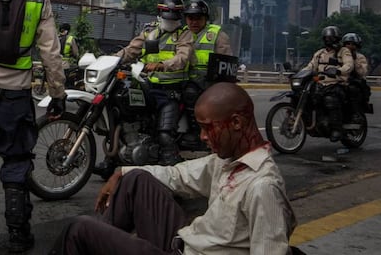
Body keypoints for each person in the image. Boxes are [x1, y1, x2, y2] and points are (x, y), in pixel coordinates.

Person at [49, 82, 298, 255]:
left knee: (79, 230)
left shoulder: (262, 187)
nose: (201, 137)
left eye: (207, 127)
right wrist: (120, 173)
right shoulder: (227, 161)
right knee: (136, 179)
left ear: (235, 123)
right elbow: (178, 175)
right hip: (184, 243)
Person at [0, 0, 66, 252]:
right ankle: (18, 236)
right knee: (16, 163)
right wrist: (57, 94)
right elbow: (51, 53)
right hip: (16, 95)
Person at [93, 0, 193, 177]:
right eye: (167, 16)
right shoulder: (149, 31)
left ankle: (173, 174)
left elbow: (183, 58)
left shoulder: (184, 34)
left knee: (164, 135)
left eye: (174, 16)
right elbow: (131, 50)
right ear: (160, 14)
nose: (171, 20)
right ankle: (112, 161)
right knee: (121, 118)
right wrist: (109, 60)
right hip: (146, 87)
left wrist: (163, 65)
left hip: (170, 91)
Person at [301, 25, 354, 142]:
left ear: (337, 39)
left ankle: (337, 129)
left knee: (330, 100)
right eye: (326, 38)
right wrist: (299, 72)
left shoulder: (343, 51)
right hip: (320, 83)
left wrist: (338, 70)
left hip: (337, 84)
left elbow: (349, 65)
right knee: (305, 96)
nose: (328, 41)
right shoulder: (319, 53)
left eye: (331, 38)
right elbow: (310, 66)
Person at [183, 0, 233, 88]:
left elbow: (226, 69)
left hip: (209, 86)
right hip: (184, 84)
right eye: (190, 18)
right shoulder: (180, 34)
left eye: (198, 18)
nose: (194, 22)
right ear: (186, 19)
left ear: (206, 19)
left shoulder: (218, 35)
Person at [341, 32, 371, 119]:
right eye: (347, 44)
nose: (350, 46)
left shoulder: (360, 57)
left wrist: (354, 61)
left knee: (353, 90)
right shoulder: (339, 56)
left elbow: (362, 72)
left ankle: (355, 114)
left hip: (355, 82)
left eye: (353, 44)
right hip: (340, 81)